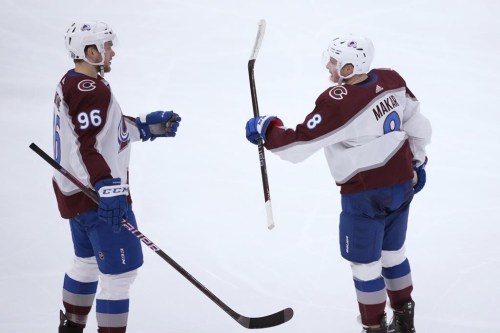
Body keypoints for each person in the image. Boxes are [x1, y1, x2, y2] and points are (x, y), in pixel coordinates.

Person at [245, 34, 431, 333]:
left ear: (351, 65)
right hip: (401, 183)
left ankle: (374, 326)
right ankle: (405, 318)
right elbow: (417, 123)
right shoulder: (391, 78)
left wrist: (267, 130)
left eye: (334, 62)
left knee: (365, 266)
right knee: (393, 253)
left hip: (365, 194)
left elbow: (298, 146)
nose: (329, 68)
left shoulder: (340, 102)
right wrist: (419, 162)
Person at [53, 21, 181, 333]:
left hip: (77, 194)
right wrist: (106, 187)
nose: (112, 52)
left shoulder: (74, 82)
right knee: (119, 276)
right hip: (99, 196)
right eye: (106, 46)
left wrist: (144, 128)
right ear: (90, 51)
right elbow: (88, 147)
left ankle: (72, 326)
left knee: (87, 262)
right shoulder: (91, 91)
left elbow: (102, 131)